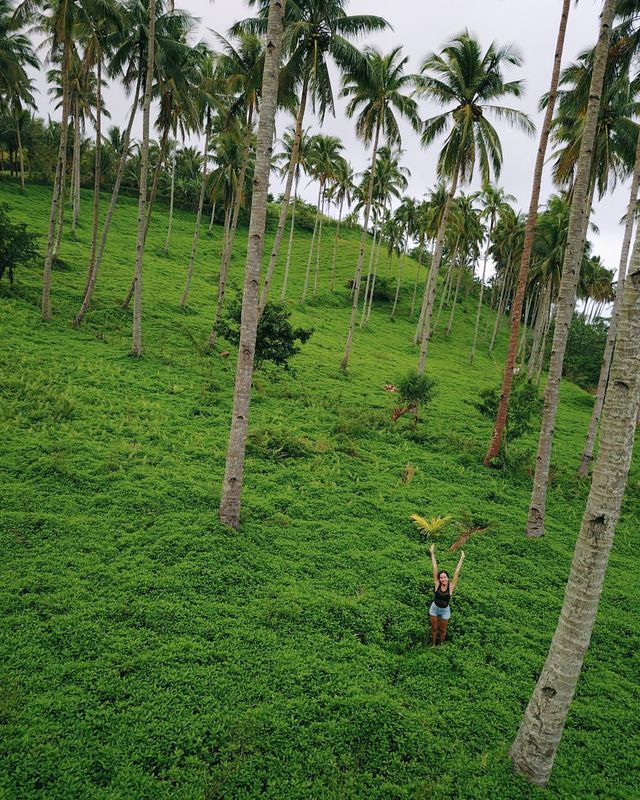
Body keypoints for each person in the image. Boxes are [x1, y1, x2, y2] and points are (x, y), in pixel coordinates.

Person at [428, 544, 464, 645]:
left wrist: (461, 558)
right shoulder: (437, 584)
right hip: (434, 608)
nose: (443, 579)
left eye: (445, 577)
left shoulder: (451, 586)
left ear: (447, 578)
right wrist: (432, 553)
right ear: (439, 579)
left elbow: (457, 572)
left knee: (443, 630)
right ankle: (433, 644)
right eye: (441, 577)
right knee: (434, 629)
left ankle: (441, 645)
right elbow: (435, 568)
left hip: (445, 610)